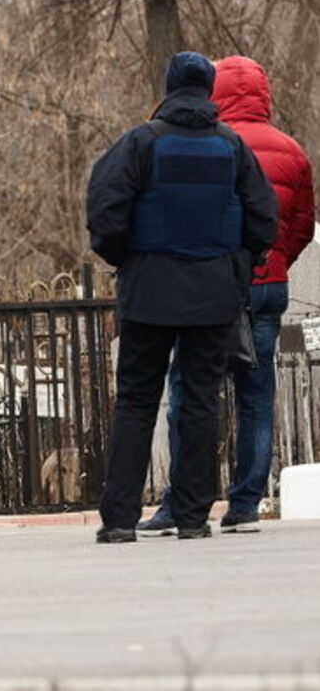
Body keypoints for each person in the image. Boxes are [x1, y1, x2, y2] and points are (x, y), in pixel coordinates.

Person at [87, 51, 277, 542]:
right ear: (210, 90)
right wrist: (239, 264)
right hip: (214, 292)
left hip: (149, 290)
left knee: (136, 400)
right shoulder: (232, 147)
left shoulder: (140, 143)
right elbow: (263, 220)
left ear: (169, 87)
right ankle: (194, 517)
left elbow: (106, 209)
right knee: (201, 402)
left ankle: (121, 520)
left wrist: (126, 259)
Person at [139, 56, 314, 534]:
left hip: (211, 285)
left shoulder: (205, 144)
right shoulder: (292, 151)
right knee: (257, 393)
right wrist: (275, 263)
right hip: (268, 286)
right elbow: (299, 225)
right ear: (264, 94)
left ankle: (181, 500)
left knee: (190, 391)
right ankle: (244, 505)